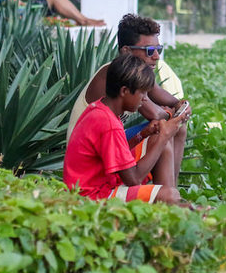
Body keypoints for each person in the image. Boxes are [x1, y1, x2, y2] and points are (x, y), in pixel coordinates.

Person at [66, 14, 187, 182]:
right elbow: (156, 114)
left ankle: (171, 190)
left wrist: (180, 105)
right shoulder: (118, 74)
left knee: (176, 127)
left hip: (111, 137)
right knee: (163, 132)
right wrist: (173, 113)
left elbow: (167, 99)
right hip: (89, 148)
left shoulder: (137, 74)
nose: (156, 57)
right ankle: (167, 195)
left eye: (159, 50)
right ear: (126, 51)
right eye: (149, 51)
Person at [63, 52, 189, 204]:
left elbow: (115, 153)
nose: (144, 98)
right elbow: (133, 179)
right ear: (124, 91)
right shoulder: (108, 124)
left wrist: (143, 134)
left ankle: (171, 203)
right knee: (169, 195)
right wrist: (165, 136)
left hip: (97, 183)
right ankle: (172, 203)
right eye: (142, 92)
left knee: (157, 141)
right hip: (91, 197)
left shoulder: (99, 109)